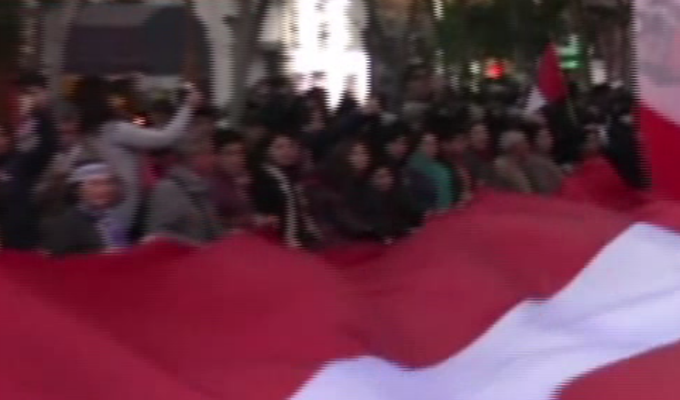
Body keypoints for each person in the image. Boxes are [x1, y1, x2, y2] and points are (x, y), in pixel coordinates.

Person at [70, 76, 203, 238]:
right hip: (123, 203)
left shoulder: (87, 135)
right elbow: (165, 138)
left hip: (100, 205)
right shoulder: (116, 130)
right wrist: (188, 108)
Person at [0, 74, 58, 249]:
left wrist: (40, 112)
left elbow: (46, 146)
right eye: (21, 93)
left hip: (22, 228)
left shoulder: (42, 126)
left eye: (30, 93)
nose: (24, 99)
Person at [250, 133, 322, 249]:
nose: (287, 151)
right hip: (279, 243)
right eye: (279, 147)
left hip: (305, 238)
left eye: (290, 146)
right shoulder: (263, 179)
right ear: (267, 152)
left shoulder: (295, 175)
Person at [41, 161, 129, 256]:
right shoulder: (62, 223)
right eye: (94, 184)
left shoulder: (114, 219)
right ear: (77, 189)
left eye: (107, 183)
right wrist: (96, 255)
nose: (103, 189)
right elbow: (56, 259)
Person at [146, 141, 223, 244]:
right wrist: (192, 246)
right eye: (209, 153)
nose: (215, 159)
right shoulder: (168, 189)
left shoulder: (201, 186)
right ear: (193, 156)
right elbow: (157, 237)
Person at [308, 139, 377, 244]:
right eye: (355, 154)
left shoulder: (364, 181)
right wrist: (369, 231)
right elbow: (343, 215)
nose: (362, 157)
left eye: (364, 153)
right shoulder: (336, 182)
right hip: (340, 238)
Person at [211, 131, 265, 232]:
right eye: (229, 154)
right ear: (216, 156)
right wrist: (250, 220)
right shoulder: (211, 185)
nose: (237, 159)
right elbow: (212, 222)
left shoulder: (244, 180)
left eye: (241, 153)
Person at [409, 132, 455, 212]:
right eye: (426, 144)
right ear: (418, 146)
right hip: (427, 213)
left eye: (434, 144)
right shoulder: (413, 168)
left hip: (446, 210)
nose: (431, 147)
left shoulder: (439, 165)